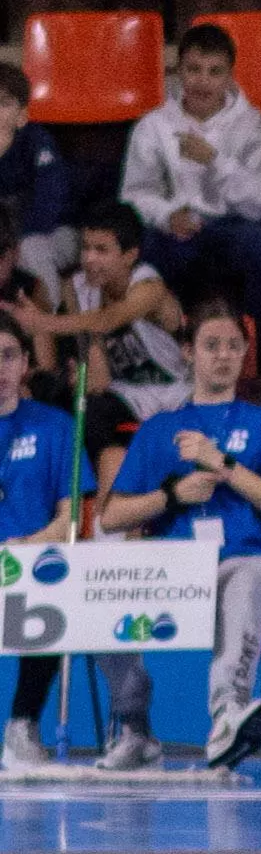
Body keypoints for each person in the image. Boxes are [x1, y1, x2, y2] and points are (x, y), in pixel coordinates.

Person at [96, 300, 261, 774]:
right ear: (187, 352)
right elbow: (111, 517)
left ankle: (228, 713)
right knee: (97, 591)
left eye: (234, 346)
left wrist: (224, 466)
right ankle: (135, 728)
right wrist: (172, 495)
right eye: (211, 345)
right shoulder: (160, 430)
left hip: (248, 556)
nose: (223, 355)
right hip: (175, 567)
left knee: (245, 578)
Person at [120, 22, 261, 349]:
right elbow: (135, 194)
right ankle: (163, 353)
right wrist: (168, 216)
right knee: (148, 250)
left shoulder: (255, 126)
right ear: (178, 71)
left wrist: (215, 161)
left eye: (214, 72)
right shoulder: (154, 126)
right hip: (176, 226)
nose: (203, 81)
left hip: (234, 225)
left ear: (229, 75)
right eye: (194, 70)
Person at [12, 200, 192, 495]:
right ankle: (77, 497)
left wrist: (41, 322)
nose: (89, 259)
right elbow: (97, 362)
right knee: (71, 404)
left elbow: (107, 320)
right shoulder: (76, 288)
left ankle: (124, 496)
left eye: (101, 250)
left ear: (129, 255)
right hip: (125, 393)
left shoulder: (149, 287)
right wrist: (83, 377)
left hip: (175, 392)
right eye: (85, 248)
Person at [0, 314, 90, 773]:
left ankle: (21, 726)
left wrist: (24, 545)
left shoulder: (56, 427)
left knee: (54, 587)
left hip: (32, 560)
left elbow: (71, 518)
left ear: (26, 365)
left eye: (9, 355)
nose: (0, 368)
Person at [0, 62, 75, 302]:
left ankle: (45, 328)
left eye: (3, 103)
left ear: (22, 116)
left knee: (31, 251)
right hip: (6, 241)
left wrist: (11, 246)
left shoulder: (37, 142)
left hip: (53, 232)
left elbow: (49, 203)